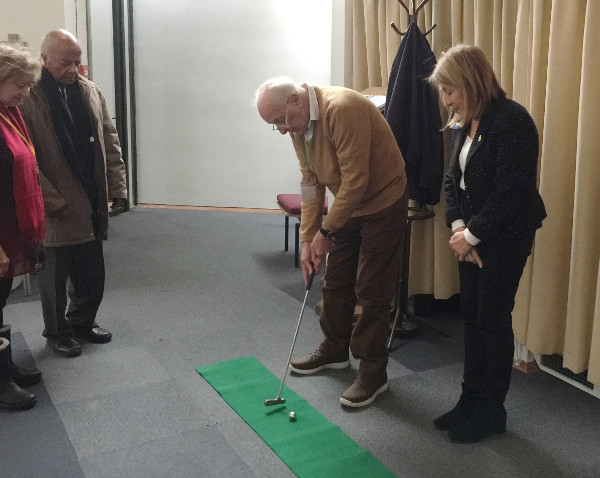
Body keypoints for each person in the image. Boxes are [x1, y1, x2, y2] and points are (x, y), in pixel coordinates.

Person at [256, 77, 408, 408]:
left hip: (382, 200)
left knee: (371, 289)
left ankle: (373, 372)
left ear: (296, 99)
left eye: (279, 120)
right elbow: (310, 182)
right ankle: (335, 349)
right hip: (348, 203)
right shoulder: (298, 127)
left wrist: (326, 234)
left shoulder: (341, 109)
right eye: (273, 126)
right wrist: (308, 240)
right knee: (336, 280)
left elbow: (357, 180)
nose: (281, 130)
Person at [427, 45, 546, 443]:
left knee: (493, 320)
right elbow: (452, 182)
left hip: (505, 238)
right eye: (444, 93)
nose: (447, 101)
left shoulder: (512, 121)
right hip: (472, 236)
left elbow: (512, 192)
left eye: (451, 91)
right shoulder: (467, 122)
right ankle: (470, 399)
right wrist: (459, 228)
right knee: (472, 317)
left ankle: (493, 411)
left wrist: (470, 236)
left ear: (471, 81)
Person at [20, 30, 127, 357]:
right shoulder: (26, 97)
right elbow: (25, 159)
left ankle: (82, 322)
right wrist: (51, 200)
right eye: (65, 62)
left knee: (92, 272)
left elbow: (110, 140)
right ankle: (56, 332)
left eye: (77, 62)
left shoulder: (90, 91)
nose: (72, 69)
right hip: (54, 205)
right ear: (44, 59)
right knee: (53, 276)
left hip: (91, 198)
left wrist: (118, 186)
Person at [0, 42, 46, 410]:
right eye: (21, 84)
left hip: (10, 229)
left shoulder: (9, 114)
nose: (26, 92)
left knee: (0, 304)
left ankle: (4, 369)